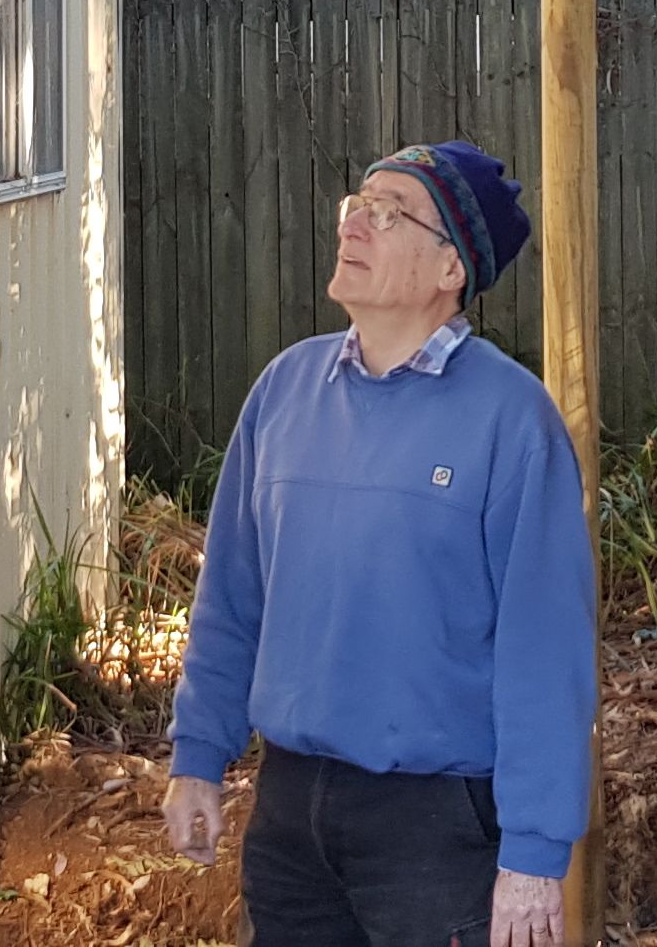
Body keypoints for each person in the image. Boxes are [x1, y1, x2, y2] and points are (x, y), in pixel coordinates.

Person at [162, 142, 599, 947]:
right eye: (354, 206)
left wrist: (535, 854)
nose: (355, 225)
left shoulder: (511, 420)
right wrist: (199, 755)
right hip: (291, 811)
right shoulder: (284, 392)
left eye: (388, 212)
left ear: (450, 270)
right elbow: (231, 599)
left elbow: (545, 653)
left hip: (437, 828)